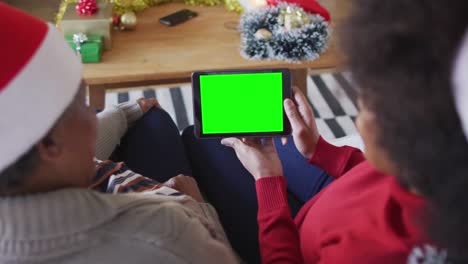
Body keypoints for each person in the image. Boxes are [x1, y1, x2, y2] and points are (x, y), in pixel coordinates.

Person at [181, 0, 468, 263]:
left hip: (288, 239)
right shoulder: (434, 173)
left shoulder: (369, 253)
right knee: (211, 139)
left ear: (418, 142)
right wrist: (320, 151)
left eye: (372, 102)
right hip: (334, 197)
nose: (360, 103)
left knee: (199, 139)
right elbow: (373, 171)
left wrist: (268, 181)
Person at [0, 3, 238, 263]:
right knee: (194, 137)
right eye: (84, 103)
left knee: (151, 118)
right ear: (48, 143)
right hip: (181, 214)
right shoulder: (165, 235)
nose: (93, 115)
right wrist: (196, 206)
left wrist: (122, 114)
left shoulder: (23, 163)